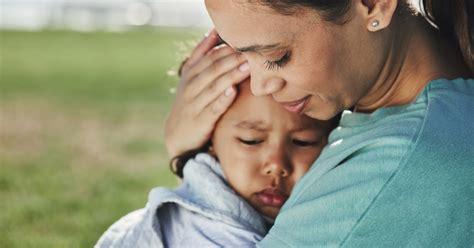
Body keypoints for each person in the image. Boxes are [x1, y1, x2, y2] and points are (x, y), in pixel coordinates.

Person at [164, 0, 474, 246]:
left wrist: (184, 155)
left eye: (277, 56)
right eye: (242, 55)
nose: (259, 86)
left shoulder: (400, 165)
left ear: (373, 4)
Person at [96, 79, 338, 247]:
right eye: (250, 140)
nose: (276, 164)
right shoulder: (205, 234)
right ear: (210, 139)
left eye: (303, 141)